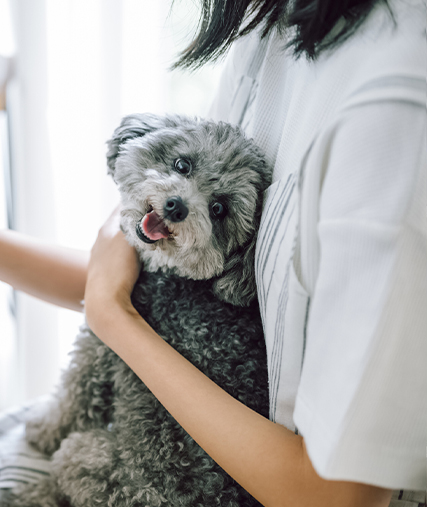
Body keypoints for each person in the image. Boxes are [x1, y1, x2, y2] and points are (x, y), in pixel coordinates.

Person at [0, 0, 425, 505]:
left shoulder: (398, 112)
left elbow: (333, 495)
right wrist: (110, 304)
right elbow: (132, 278)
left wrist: (115, 320)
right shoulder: (270, 23)